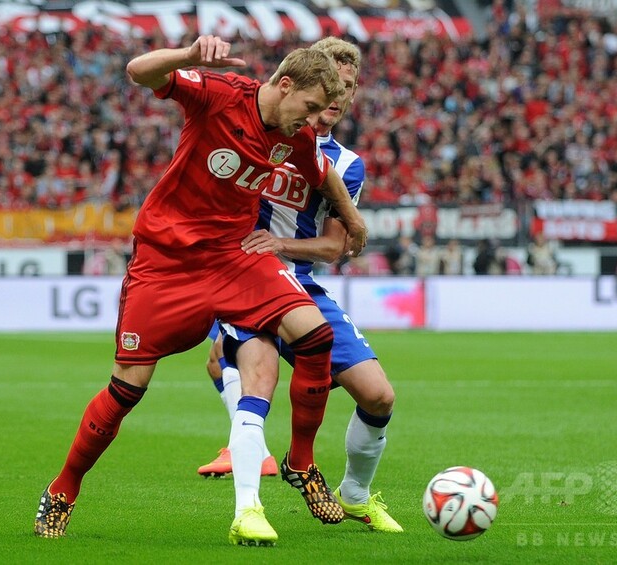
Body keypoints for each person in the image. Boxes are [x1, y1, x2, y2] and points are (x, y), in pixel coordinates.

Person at [34, 36, 368, 541]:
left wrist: (352, 218)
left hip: (233, 257)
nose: (314, 120)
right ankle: (64, 487)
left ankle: (301, 462)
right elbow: (138, 70)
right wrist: (188, 57)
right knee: (127, 388)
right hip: (166, 261)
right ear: (284, 85)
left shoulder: (295, 133)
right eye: (309, 106)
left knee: (315, 334)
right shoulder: (221, 95)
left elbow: (322, 175)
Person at [198, 38, 402, 545]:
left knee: (379, 395)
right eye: (331, 82)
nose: (338, 95)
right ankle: (251, 502)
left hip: (303, 284)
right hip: (246, 279)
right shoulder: (260, 130)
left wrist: (281, 243)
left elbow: (335, 246)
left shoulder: (347, 164)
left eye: (348, 87)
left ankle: (355, 493)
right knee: (254, 377)